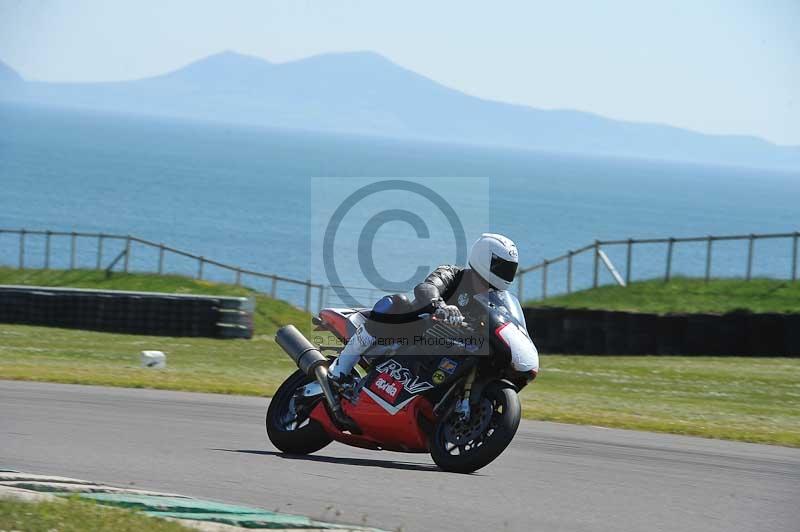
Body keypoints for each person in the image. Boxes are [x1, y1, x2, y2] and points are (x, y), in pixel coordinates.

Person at [328, 233, 520, 384]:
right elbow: (426, 288)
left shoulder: (494, 299)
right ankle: (340, 368)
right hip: (415, 334)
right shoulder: (453, 273)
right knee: (395, 302)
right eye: (502, 267)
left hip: (449, 349)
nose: (507, 274)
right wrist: (441, 306)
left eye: (510, 269)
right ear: (485, 259)